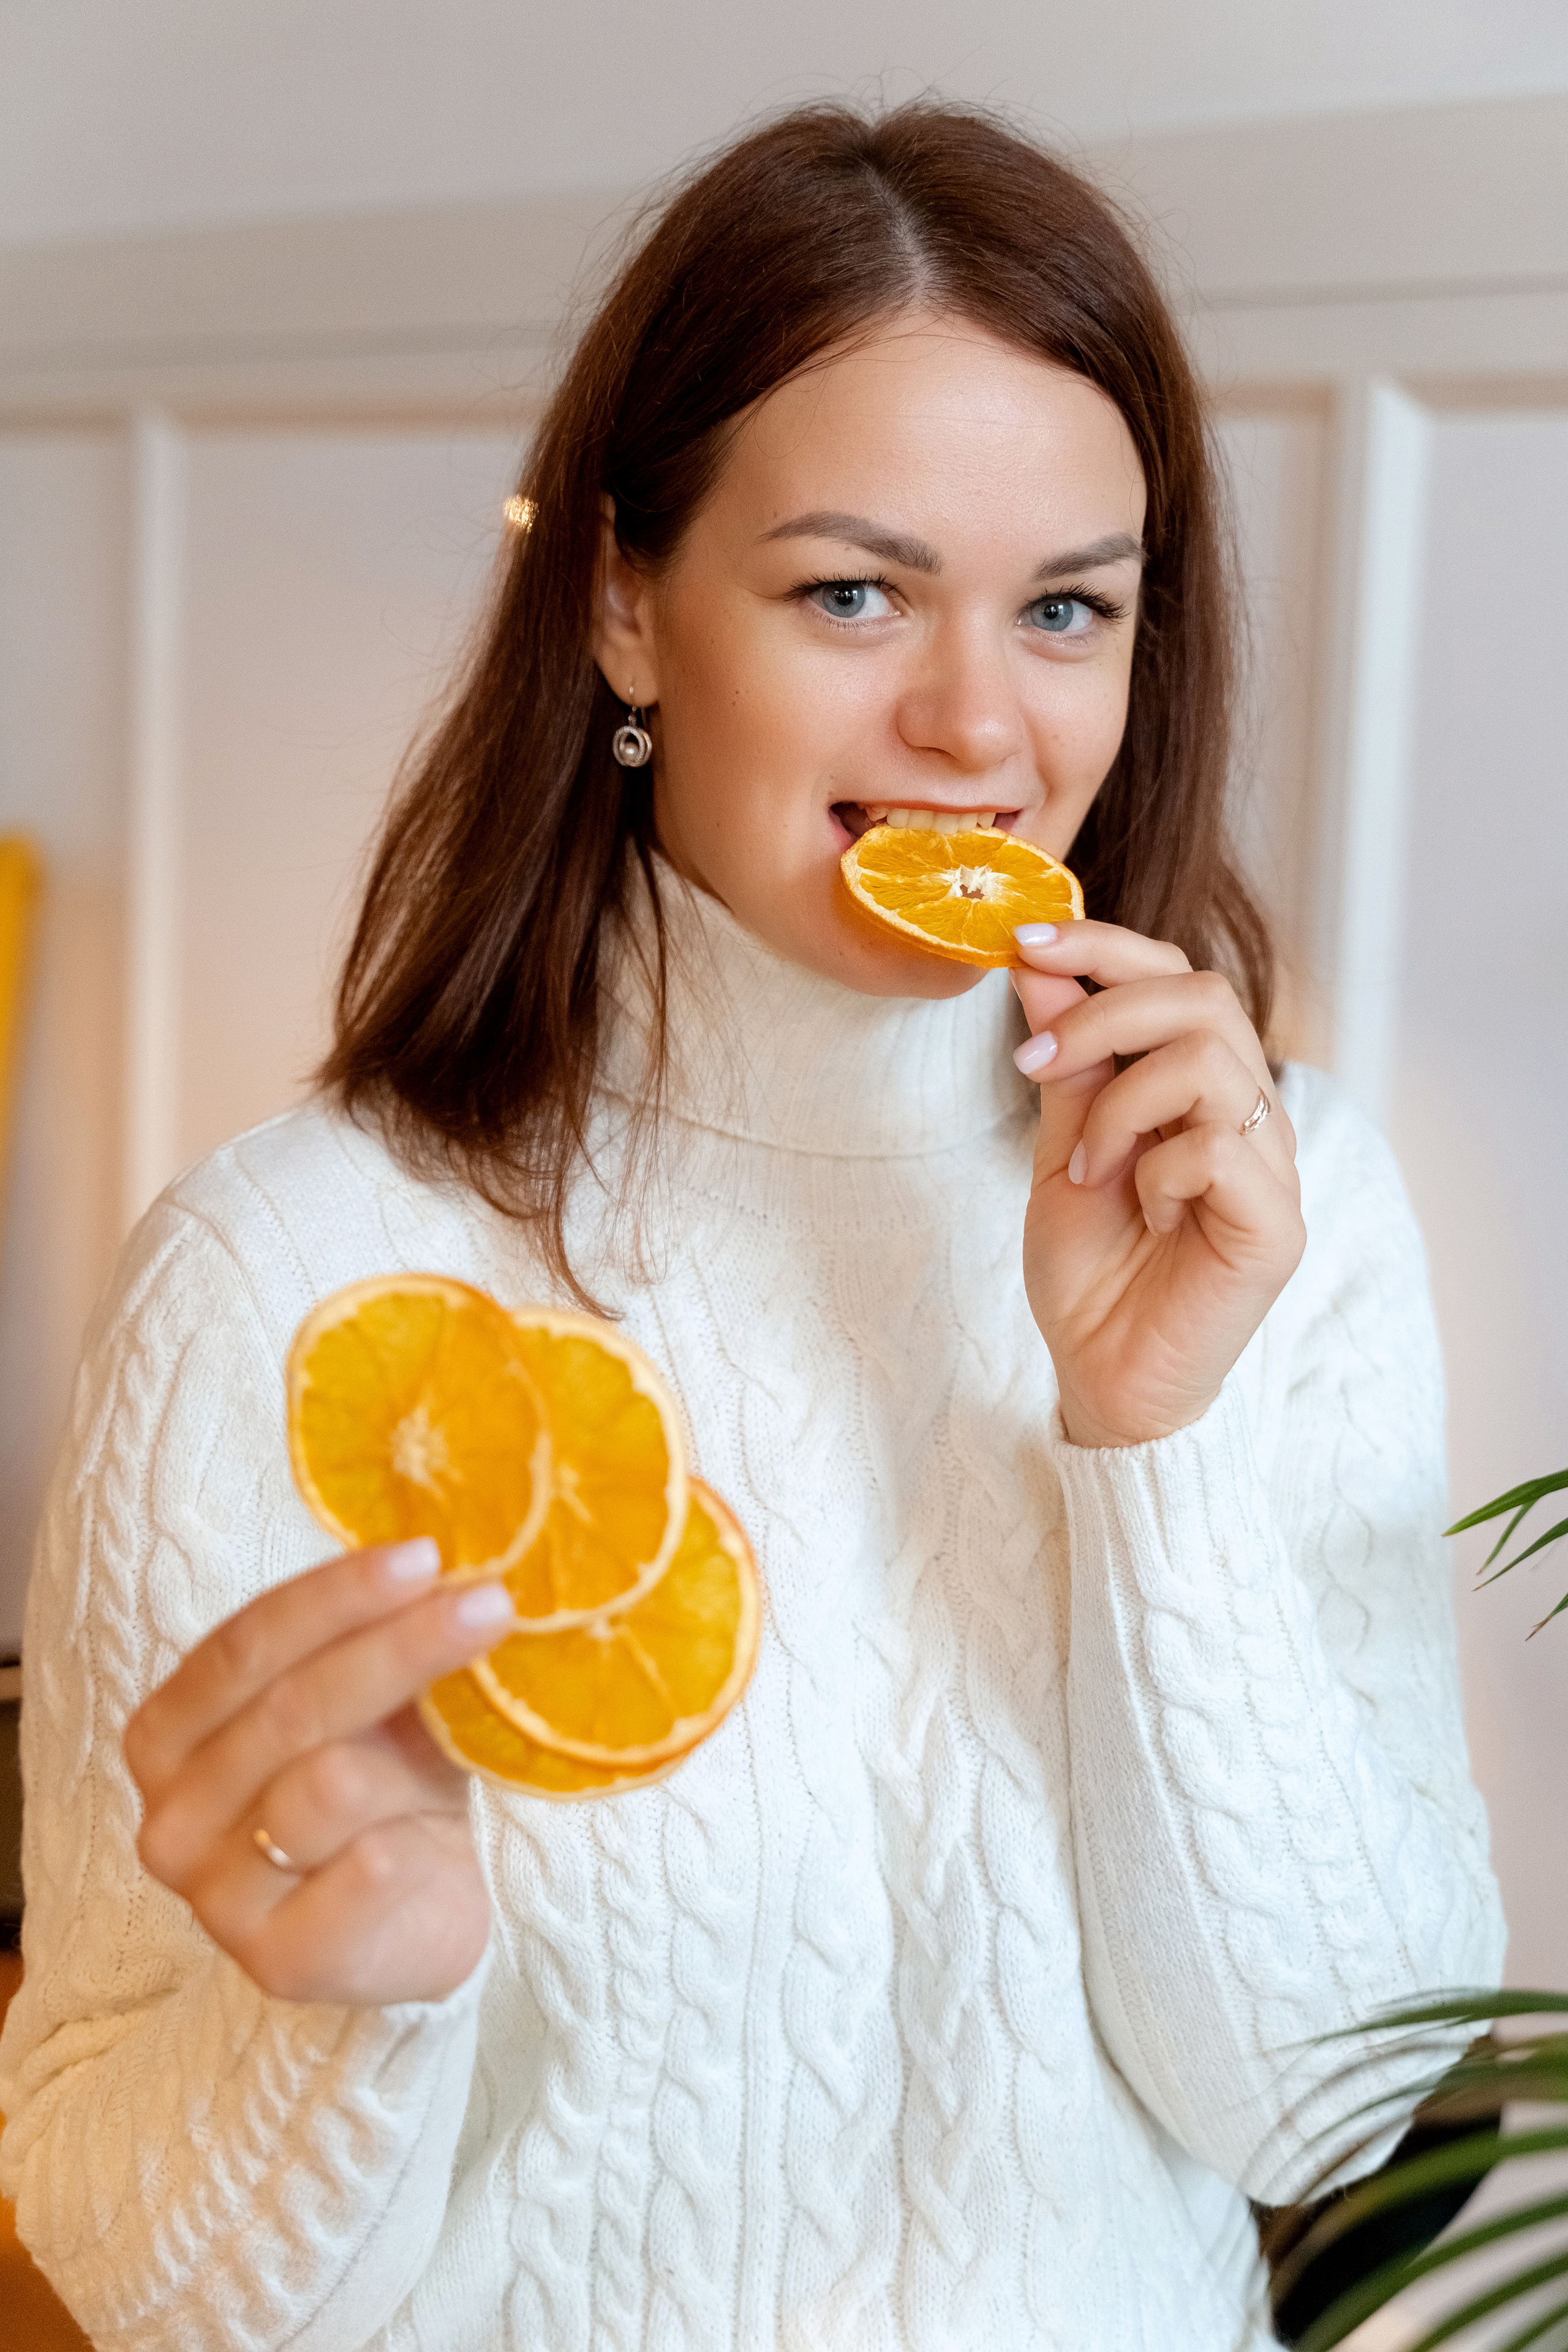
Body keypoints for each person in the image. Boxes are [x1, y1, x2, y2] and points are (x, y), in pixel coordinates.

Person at [0, 101, 1502, 2351]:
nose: (977, 721)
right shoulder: (283, 1279)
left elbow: (1328, 2112)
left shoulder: (1271, 1208)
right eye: (851, 592)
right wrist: (344, 2015)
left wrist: (1158, 1443)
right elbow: (131, 2272)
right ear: (624, 606)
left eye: (1067, 607)